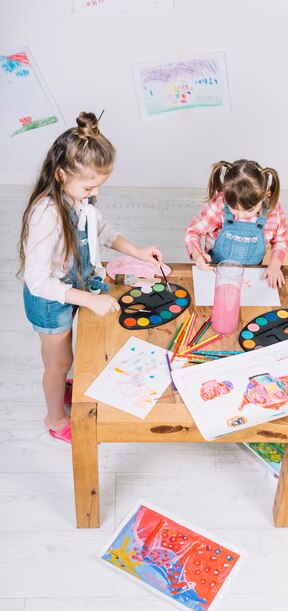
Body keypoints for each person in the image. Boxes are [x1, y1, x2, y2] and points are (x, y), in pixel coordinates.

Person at [18, 111, 163, 444]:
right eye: (89, 186)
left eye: (99, 186)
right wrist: (89, 300)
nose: (93, 193)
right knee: (58, 363)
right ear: (60, 174)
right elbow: (39, 281)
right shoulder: (46, 215)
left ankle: (62, 384)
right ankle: (55, 418)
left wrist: (137, 252)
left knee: (66, 358)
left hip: (72, 289)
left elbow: (102, 230)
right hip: (48, 302)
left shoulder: (78, 199)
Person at [185, 159, 288, 288]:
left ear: (264, 196)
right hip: (215, 270)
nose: (240, 215)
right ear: (225, 194)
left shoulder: (273, 211)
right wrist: (197, 255)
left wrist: (275, 265)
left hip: (252, 274)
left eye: (250, 210)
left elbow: (281, 241)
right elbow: (193, 231)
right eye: (234, 208)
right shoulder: (219, 206)